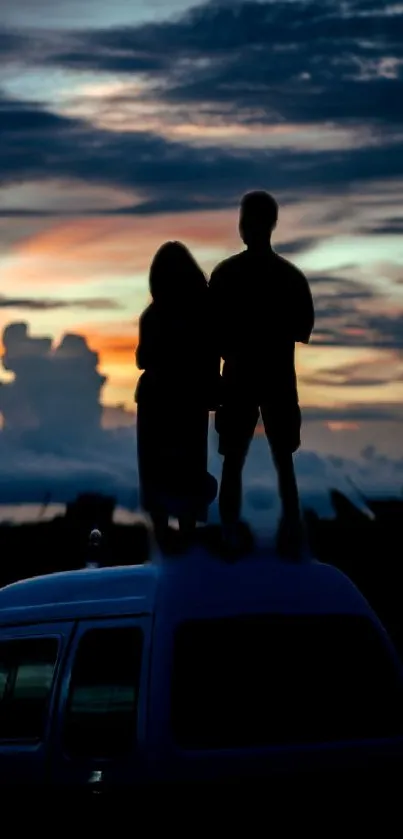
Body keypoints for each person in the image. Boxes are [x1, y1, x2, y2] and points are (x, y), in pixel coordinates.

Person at [209, 191, 314, 556]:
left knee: (236, 461)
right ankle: (285, 534)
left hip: (242, 378)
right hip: (275, 378)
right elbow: (303, 328)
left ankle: (234, 536)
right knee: (278, 461)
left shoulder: (226, 275)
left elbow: (212, 333)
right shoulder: (290, 277)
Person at [135, 241, 219, 545]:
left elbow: (142, 358)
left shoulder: (153, 315)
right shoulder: (203, 312)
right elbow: (213, 356)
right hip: (188, 401)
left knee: (158, 470)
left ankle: (161, 537)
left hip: (158, 400)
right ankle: (187, 535)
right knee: (188, 470)